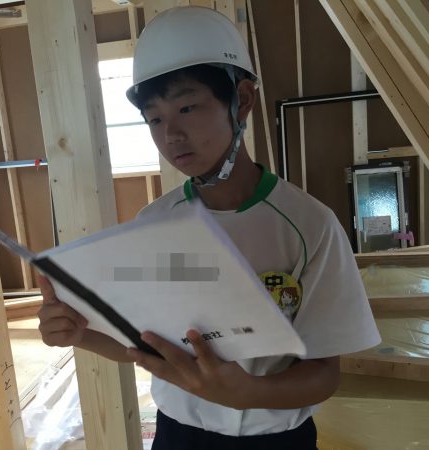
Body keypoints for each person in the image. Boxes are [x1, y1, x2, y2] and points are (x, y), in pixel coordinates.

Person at [37, 6, 381, 449]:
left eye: (187, 107)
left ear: (243, 100)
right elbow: (145, 344)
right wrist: (78, 333)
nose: (171, 135)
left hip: (275, 440)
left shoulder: (309, 226)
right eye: (155, 118)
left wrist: (249, 393)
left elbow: (324, 373)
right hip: (179, 437)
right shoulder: (154, 224)